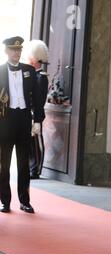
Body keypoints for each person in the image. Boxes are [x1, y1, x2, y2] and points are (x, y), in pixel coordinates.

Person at [0, 36, 43, 214]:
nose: (16, 53)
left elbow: (38, 97)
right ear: (6, 51)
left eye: (18, 50)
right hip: (5, 120)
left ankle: (25, 201)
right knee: (3, 164)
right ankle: (5, 201)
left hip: (24, 118)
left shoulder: (29, 71)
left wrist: (38, 120)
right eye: (12, 50)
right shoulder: (0, 70)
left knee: (24, 163)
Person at [25, 40, 49, 180]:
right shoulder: (32, 75)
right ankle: (30, 168)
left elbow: (39, 101)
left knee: (36, 143)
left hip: (35, 114)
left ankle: (36, 170)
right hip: (28, 113)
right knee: (28, 143)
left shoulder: (41, 77)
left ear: (34, 59)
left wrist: (37, 119)